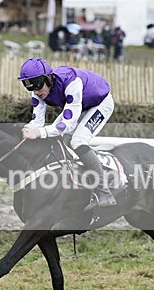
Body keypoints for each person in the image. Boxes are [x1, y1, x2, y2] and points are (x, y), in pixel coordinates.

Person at [18, 57, 117, 211]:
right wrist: (26, 131)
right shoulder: (36, 92)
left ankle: (104, 192)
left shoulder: (71, 82)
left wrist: (39, 132)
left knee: (77, 141)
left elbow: (67, 124)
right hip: (80, 104)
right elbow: (37, 122)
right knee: (58, 137)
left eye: (37, 84)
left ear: (48, 78)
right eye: (29, 86)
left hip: (100, 103)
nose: (36, 91)